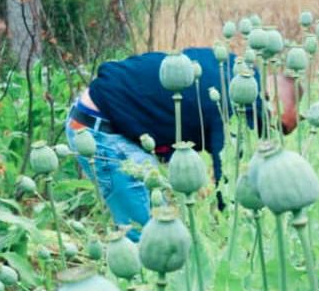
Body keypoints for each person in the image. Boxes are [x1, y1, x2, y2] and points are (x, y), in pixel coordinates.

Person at [66, 47, 299, 238]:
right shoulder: (243, 100)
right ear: (272, 100)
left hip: (108, 117)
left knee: (165, 228)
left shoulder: (234, 66)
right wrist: (234, 231)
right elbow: (228, 177)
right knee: (150, 240)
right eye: (278, 126)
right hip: (102, 130)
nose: (269, 133)